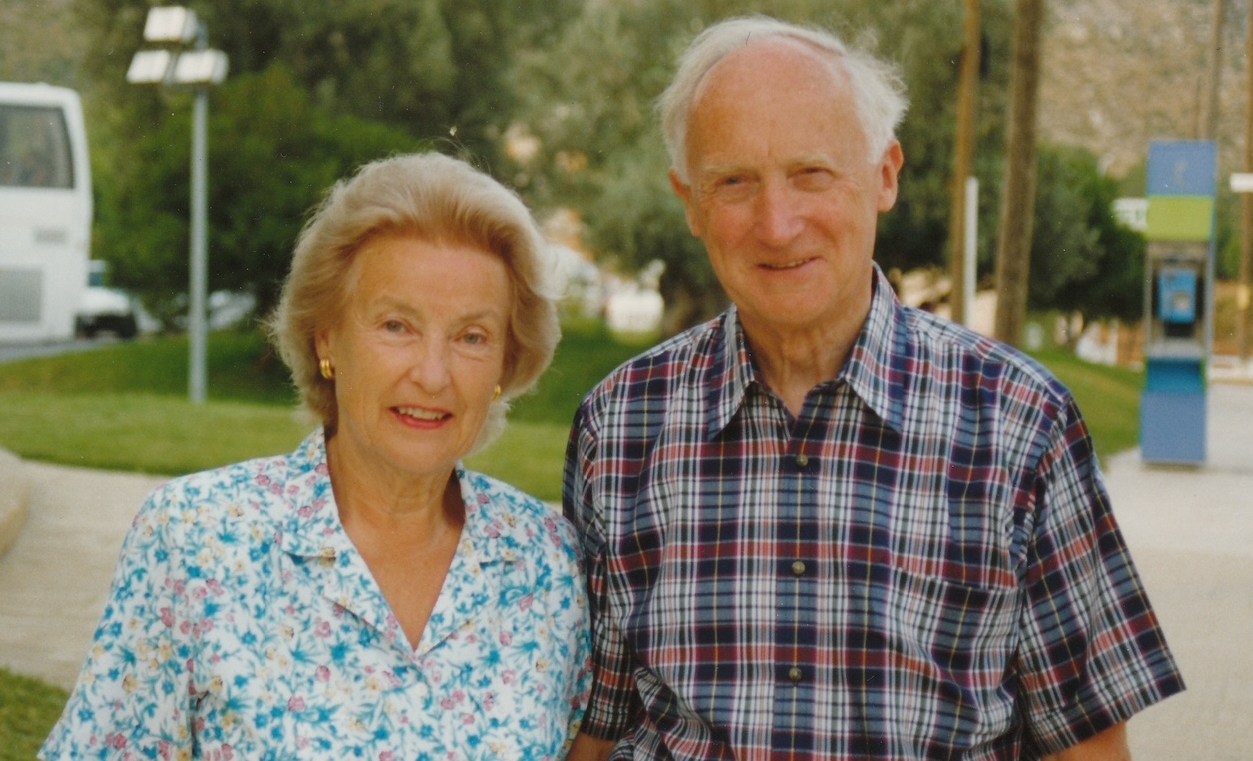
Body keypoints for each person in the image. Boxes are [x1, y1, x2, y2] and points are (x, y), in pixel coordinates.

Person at [563, 15, 1183, 761]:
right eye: (733, 183)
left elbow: (1086, 744)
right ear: (689, 201)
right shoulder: (619, 423)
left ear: (884, 175)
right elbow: (593, 728)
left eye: (810, 173)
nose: (776, 222)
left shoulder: (1022, 423)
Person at [41, 152, 590, 759]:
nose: (434, 375)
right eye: (396, 326)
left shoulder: (548, 562)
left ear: (505, 366)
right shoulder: (196, 539)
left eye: (471, 337)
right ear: (327, 336)